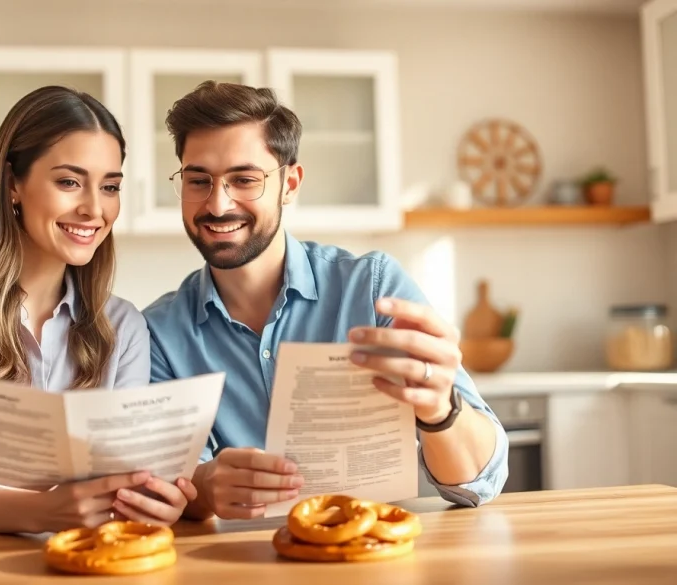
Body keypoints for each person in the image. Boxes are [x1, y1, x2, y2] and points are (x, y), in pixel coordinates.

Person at [143, 81, 509, 521]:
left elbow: (479, 484)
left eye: (244, 179)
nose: (218, 204)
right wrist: (203, 489)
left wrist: (439, 409)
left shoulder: (372, 288)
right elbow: (170, 486)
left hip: (378, 548)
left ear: (290, 183)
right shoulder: (159, 333)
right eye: (199, 180)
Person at [0, 86, 196, 535]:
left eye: (110, 187)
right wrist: (39, 511)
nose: (94, 209)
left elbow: (123, 483)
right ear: (13, 183)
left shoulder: (123, 327)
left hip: (82, 561)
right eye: (69, 182)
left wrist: (150, 499)